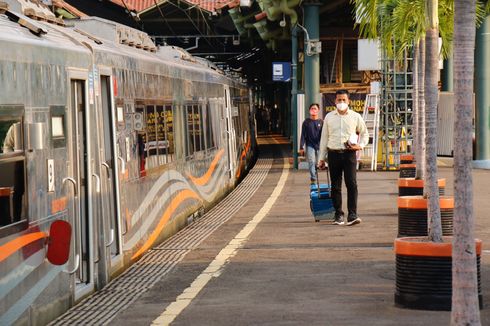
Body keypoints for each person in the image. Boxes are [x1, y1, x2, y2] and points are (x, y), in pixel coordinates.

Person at [317, 90, 368, 226]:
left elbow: (365, 134)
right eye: (339, 100)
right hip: (333, 154)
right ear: (335, 101)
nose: (341, 103)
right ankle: (338, 215)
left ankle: (352, 215)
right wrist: (321, 159)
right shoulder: (328, 117)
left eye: (344, 100)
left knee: (351, 183)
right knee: (335, 186)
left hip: (349, 154)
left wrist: (360, 145)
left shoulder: (355, 116)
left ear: (348, 101)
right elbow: (324, 139)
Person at [299, 103, 323, 184]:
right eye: (312, 108)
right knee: (311, 161)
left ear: (318, 110)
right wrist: (301, 147)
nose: (313, 110)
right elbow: (303, 135)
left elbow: (324, 135)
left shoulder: (321, 122)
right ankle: (313, 178)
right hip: (310, 145)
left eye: (315, 108)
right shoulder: (306, 122)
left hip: (319, 145)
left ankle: (314, 173)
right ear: (309, 110)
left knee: (317, 162)